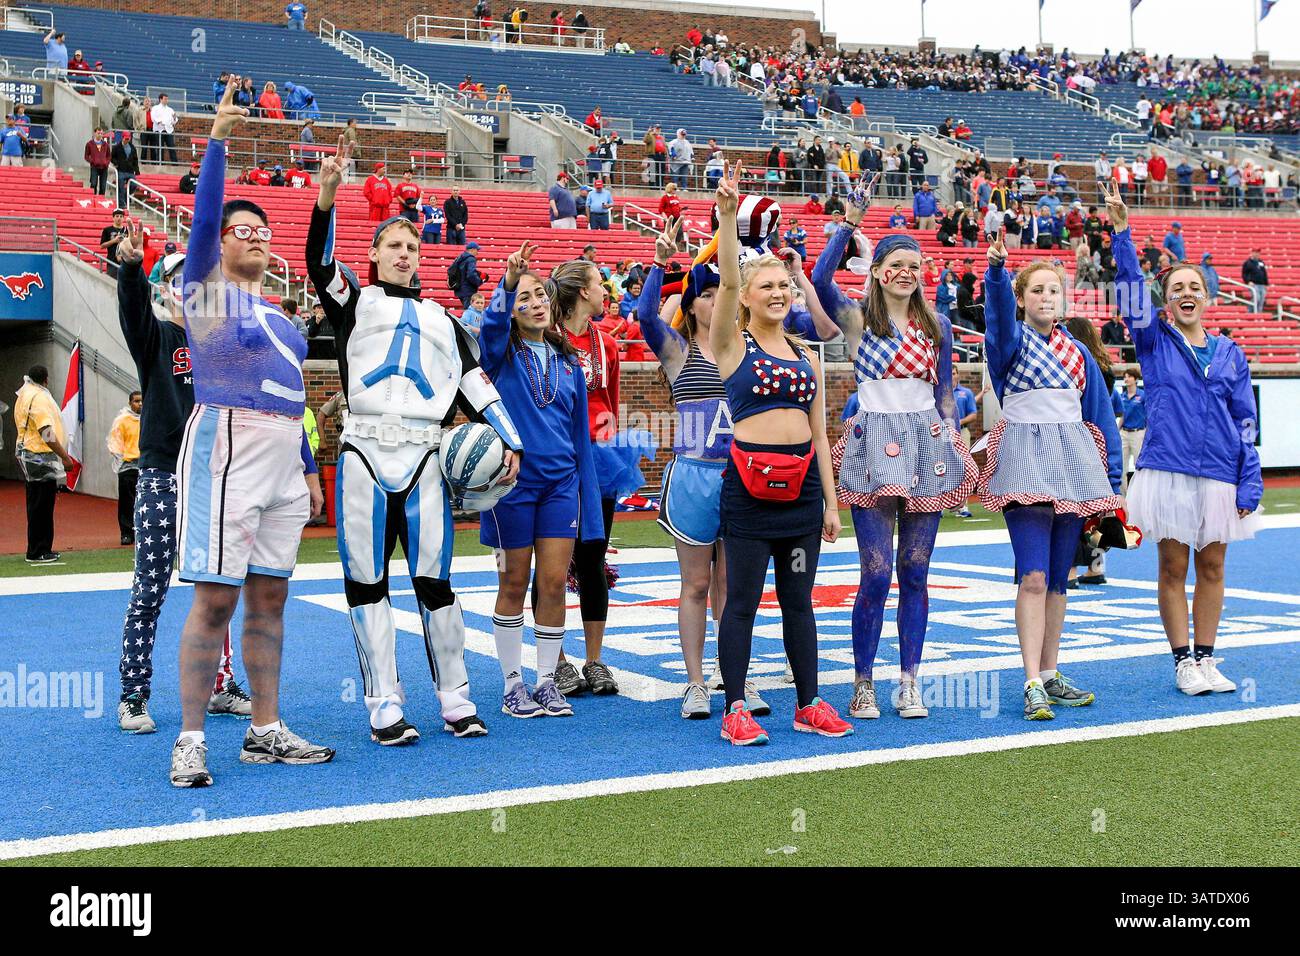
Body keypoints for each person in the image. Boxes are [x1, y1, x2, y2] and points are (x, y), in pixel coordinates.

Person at [307, 135, 520, 744]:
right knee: (366, 583)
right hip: (363, 452)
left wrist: (512, 443)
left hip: (427, 454)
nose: (404, 254)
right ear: (372, 255)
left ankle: (455, 699)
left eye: (412, 246)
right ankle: (384, 704)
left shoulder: (445, 322)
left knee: (435, 583)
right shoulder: (352, 302)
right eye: (393, 246)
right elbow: (319, 263)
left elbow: (476, 385)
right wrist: (327, 196)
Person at [169, 77, 330, 787]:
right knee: (215, 598)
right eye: (246, 230)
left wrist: (305, 466)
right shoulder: (204, 295)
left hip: (277, 456)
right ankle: (192, 737)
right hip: (225, 445)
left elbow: (293, 398)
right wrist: (219, 144)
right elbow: (202, 227)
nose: (258, 238)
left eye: (265, 232)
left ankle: (264, 728)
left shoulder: (286, 321)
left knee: (271, 597)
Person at [813, 186, 977, 721]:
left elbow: (947, 390)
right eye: (897, 264)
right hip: (872, 446)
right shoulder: (859, 319)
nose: (908, 272)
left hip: (927, 446)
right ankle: (863, 681)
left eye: (916, 264)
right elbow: (817, 281)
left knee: (915, 569)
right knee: (876, 572)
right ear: (879, 270)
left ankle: (909, 680)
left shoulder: (939, 326)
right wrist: (848, 225)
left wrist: (955, 441)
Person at [708, 162, 849, 745]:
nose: (776, 292)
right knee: (740, 602)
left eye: (783, 286)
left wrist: (831, 504)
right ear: (748, 297)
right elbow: (729, 283)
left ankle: (807, 701)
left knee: (798, 601)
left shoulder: (807, 352)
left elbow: (820, 435)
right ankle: (735, 707)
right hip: (747, 491)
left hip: (801, 498)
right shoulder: (729, 341)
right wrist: (726, 216)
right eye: (765, 285)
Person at [1106, 182, 1261, 698]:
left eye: (1194, 287)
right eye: (1177, 289)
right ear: (1167, 302)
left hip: (1219, 472)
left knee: (1213, 566)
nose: (1187, 294)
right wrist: (1123, 233)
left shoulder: (1230, 353)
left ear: (1208, 296)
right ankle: (1182, 660)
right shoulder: (1153, 340)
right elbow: (1130, 290)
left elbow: (1245, 421)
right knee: (1173, 566)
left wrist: (1250, 478)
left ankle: (1209, 657)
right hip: (1168, 469)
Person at [979, 229, 1123, 721]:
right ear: (1022, 298)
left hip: (1073, 466)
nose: (1046, 297)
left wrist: (1114, 484)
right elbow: (997, 320)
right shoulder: (1009, 344)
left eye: (1053, 290)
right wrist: (996, 273)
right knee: (1034, 576)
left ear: (1065, 298)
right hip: (1023, 463)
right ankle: (1031, 680)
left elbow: (1101, 418)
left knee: (1060, 579)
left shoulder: (1080, 353)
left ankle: (1052, 669)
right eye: (1035, 290)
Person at [112, 233, 251, 733]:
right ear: (168, 290)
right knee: (149, 588)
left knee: (219, 587)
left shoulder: (223, 345)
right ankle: (133, 694)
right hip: (163, 476)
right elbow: (132, 314)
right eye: (177, 281)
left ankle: (219, 685)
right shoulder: (159, 339)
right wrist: (130, 271)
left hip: (213, 477)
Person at [479, 241, 603, 717]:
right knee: (514, 581)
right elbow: (489, 329)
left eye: (540, 296)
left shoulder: (570, 362)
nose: (533, 304)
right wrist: (509, 281)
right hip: (512, 486)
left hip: (561, 486)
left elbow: (580, 441)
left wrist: (587, 505)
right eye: (523, 298)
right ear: (512, 310)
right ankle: (513, 685)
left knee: (553, 583)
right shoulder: (499, 354)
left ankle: (547, 681)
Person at [549, 258, 636, 697]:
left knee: (592, 557)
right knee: (551, 561)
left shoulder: (608, 344)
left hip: (600, 461)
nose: (608, 291)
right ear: (583, 292)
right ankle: (556, 660)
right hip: (556, 460)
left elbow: (612, 403)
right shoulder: (545, 339)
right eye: (601, 284)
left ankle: (595, 660)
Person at [14, 365, 75, 564]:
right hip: (39, 454)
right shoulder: (39, 398)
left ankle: (36, 548)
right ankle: (39, 550)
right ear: (46, 380)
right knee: (42, 504)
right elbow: (46, 431)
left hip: (28, 452)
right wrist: (64, 456)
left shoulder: (24, 394)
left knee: (35, 502)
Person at [107, 391, 143, 544]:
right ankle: (127, 532)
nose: (140, 404)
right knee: (127, 502)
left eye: (142, 401)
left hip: (144, 465)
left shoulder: (148, 419)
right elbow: (114, 442)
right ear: (130, 403)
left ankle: (142, 530)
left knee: (144, 501)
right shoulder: (122, 420)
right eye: (136, 401)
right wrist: (123, 460)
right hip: (127, 467)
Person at [1111, 368, 1146, 494]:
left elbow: (1148, 415)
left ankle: (1139, 496)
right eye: (1125, 376)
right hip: (1124, 433)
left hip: (1138, 433)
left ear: (1135, 379)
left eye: (1129, 376)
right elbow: (1122, 416)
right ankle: (1123, 497)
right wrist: (1116, 431)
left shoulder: (1142, 396)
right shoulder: (1122, 396)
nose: (1126, 379)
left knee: (1139, 467)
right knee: (1121, 467)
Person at [448, 241, 484, 307]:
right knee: (471, 311)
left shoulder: (460, 257)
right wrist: (479, 281)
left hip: (460, 289)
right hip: (468, 290)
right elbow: (471, 274)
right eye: (477, 250)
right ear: (472, 250)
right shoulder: (471, 259)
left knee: (469, 310)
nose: (477, 252)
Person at [100, 208, 129, 278]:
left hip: (124, 261)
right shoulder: (107, 230)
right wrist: (114, 241)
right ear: (113, 218)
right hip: (111, 261)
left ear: (123, 218)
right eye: (117, 216)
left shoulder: (127, 230)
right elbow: (102, 246)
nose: (119, 218)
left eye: (121, 216)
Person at [84, 127, 111, 195]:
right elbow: (86, 156)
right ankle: (93, 198)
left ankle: (101, 200)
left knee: (103, 186)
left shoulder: (106, 144)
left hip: (104, 167)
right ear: (95, 133)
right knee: (93, 184)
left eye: (101, 133)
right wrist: (92, 161)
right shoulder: (89, 144)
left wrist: (106, 162)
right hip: (94, 167)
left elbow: (109, 156)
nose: (100, 135)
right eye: (98, 133)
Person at [1242, 249, 1268, 314]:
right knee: (1257, 298)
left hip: (1261, 284)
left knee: (1261, 300)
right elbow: (1244, 273)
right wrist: (1248, 281)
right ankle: (1249, 311)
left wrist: (1266, 283)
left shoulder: (1261, 262)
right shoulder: (1248, 263)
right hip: (1254, 284)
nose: (1257, 254)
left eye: (1258, 252)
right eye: (1255, 252)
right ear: (1252, 253)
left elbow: (1264, 273)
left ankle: (1259, 314)